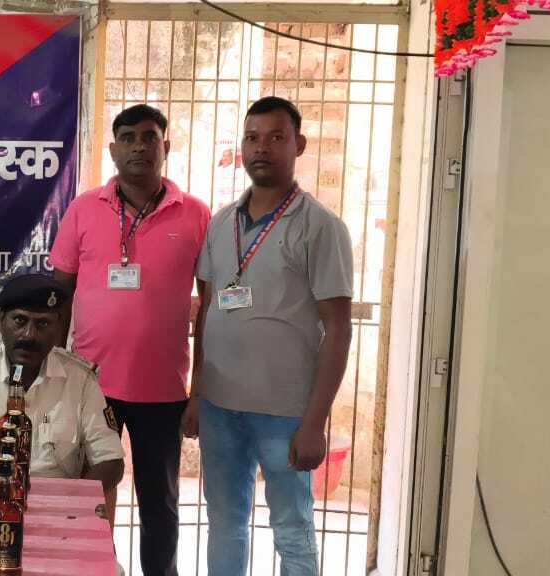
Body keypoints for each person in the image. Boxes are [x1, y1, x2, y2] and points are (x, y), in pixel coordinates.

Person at [185, 96, 354, 576]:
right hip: (219, 407)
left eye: (276, 137)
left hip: (285, 413)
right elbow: (207, 310)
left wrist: (314, 422)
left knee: (292, 528)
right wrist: (196, 396)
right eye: (252, 137)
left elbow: (338, 327)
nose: (262, 148)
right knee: (224, 522)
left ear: (299, 145)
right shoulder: (221, 223)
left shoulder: (320, 227)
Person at [48, 104, 209, 576]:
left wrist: (198, 392)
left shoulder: (196, 215)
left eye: (149, 136)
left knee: (160, 501)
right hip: (91, 387)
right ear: (113, 149)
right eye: (128, 137)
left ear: (165, 146)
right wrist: (55, 378)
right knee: (91, 495)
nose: (139, 146)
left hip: (163, 390)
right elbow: (59, 298)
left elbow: (212, 308)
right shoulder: (83, 209)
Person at [0, 274, 125, 521]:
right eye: (19, 320)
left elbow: (111, 461)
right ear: (1, 321)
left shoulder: (80, 380)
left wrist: (74, 505)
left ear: (59, 328)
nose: (29, 335)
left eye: (43, 324)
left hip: (56, 509)